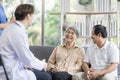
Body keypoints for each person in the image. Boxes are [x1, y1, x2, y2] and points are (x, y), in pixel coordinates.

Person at [0, 4, 52, 80]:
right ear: (28, 16)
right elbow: (27, 58)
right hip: (12, 72)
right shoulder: (17, 32)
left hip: (12, 67)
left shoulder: (10, 28)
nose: (33, 18)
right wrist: (43, 64)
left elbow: (20, 55)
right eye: (32, 15)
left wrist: (27, 64)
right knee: (46, 77)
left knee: (45, 73)